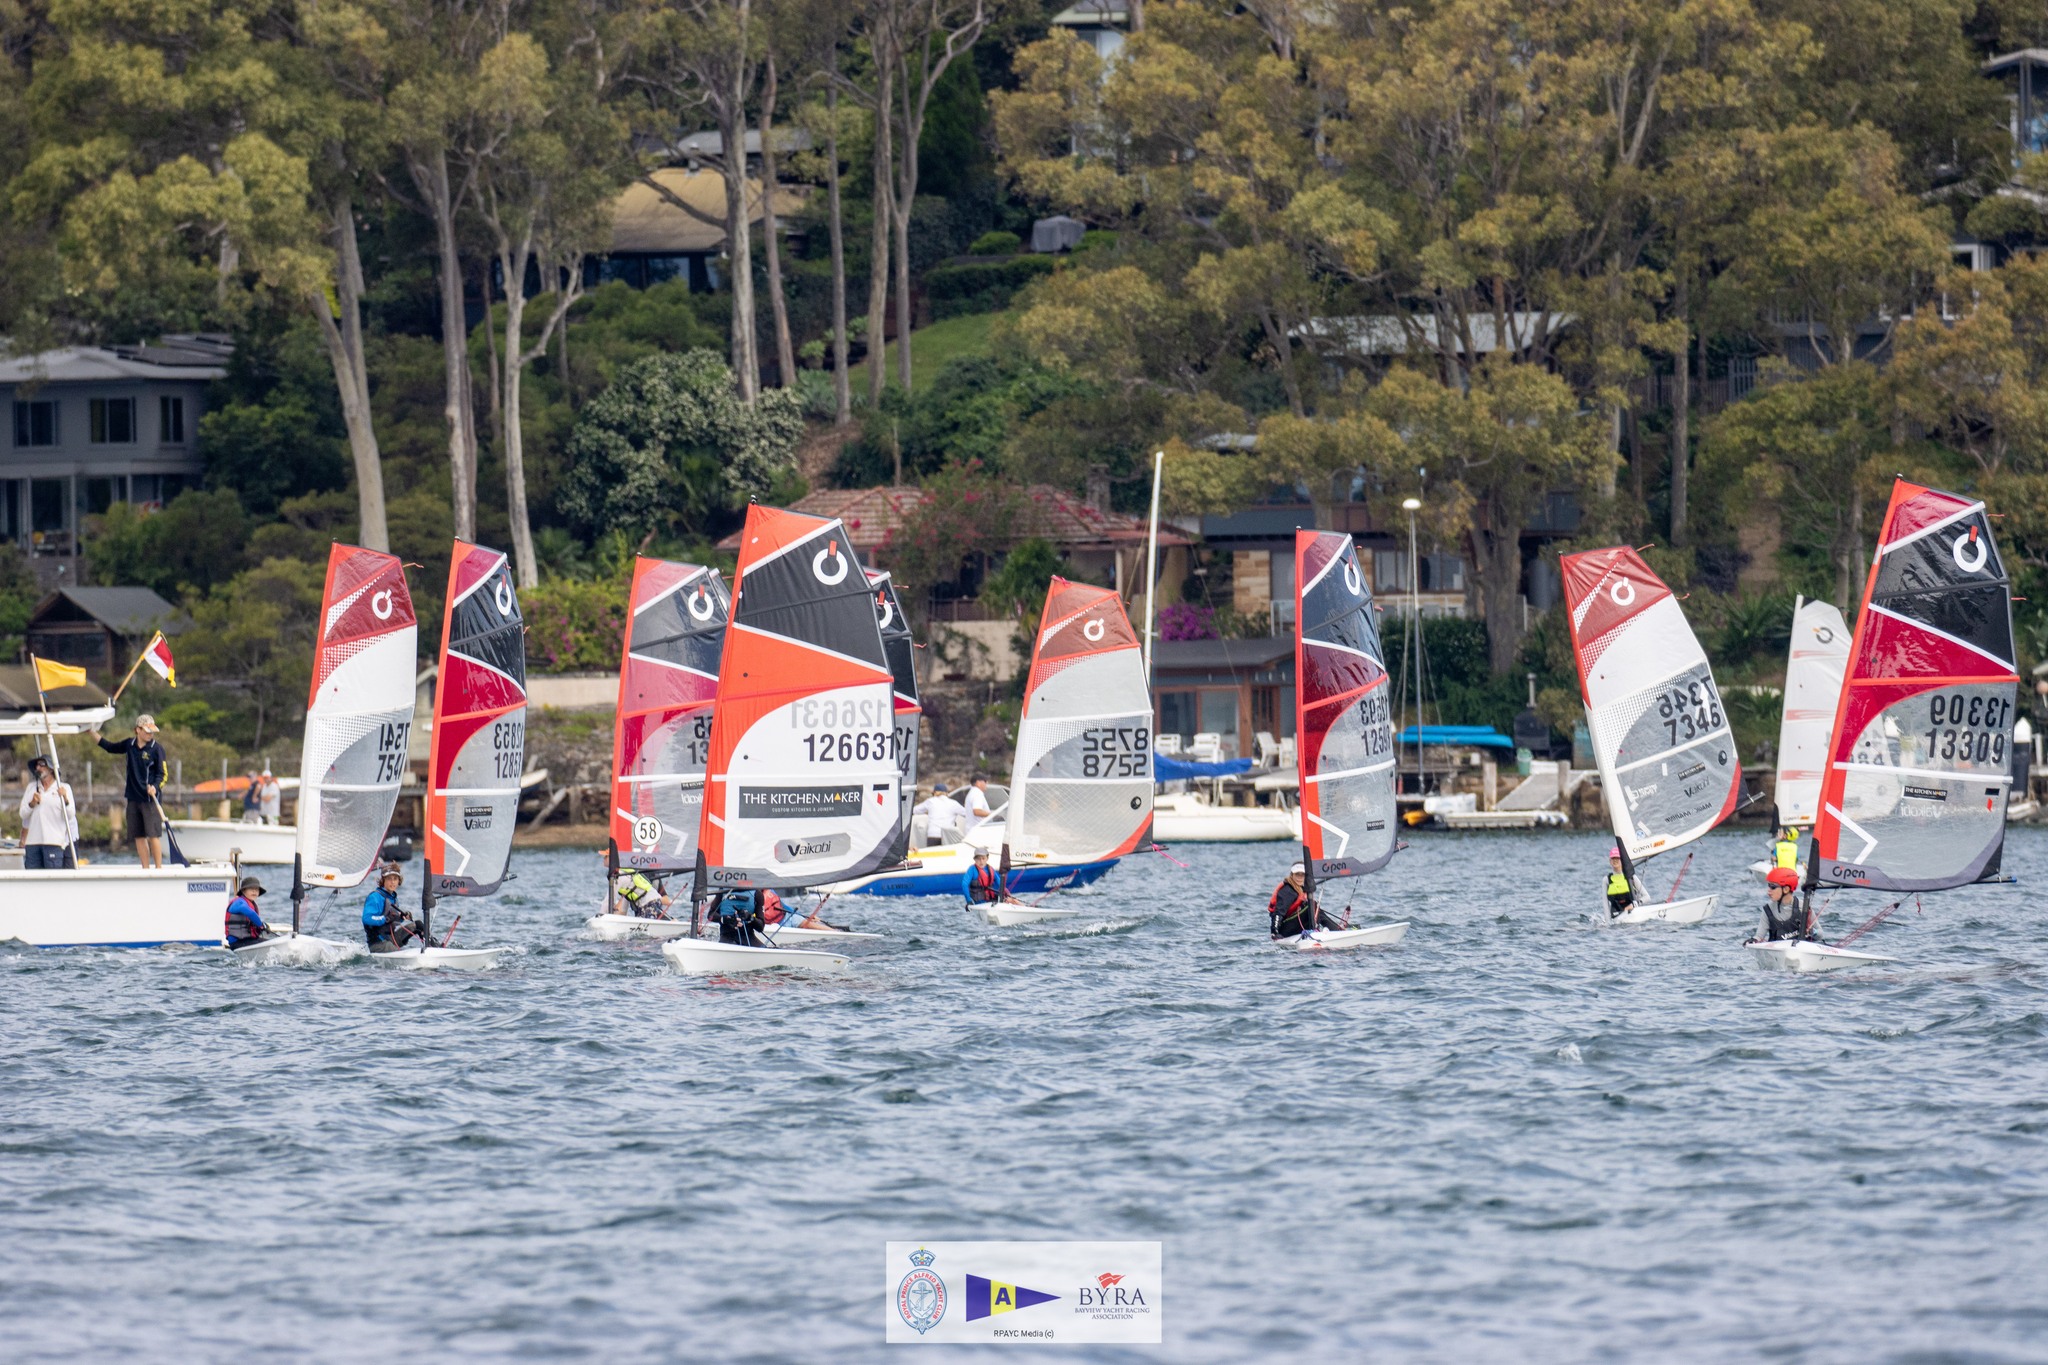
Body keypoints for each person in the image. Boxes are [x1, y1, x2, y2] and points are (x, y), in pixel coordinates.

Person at [91, 714, 168, 869]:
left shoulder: (157, 749)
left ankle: (158, 869)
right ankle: (145, 869)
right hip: (133, 798)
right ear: (137, 730)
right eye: (147, 731)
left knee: (153, 835)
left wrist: (155, 786)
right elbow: (109, 747)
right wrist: (91, 732)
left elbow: (163, 774)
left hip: (150, 800)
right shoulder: (129, 744)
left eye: (152, 731)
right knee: (138, 836)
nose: (150, 734)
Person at [18, 755, 78, 870]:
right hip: (32, 843)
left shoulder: (64, 787)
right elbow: (22, 814)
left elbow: (70, 815)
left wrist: (65, 799)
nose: (38, 768)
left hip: (54, 842)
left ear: (51, 769)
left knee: (53, 877)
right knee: (32, 877)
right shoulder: (31, 788)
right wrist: (32, 803)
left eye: (42, 765)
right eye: (37, 765)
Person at [1267, 862, 1342, 938]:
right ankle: (1336, 931)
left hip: (1293, 925)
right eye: (1297, 874)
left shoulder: (1299, 888)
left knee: (1315, 907)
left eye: (1302, 874)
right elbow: (1278, 912)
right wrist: (1275, 932)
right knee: (1311, 906)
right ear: (1292, 875)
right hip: (1284, 930)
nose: (1299, 877)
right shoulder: (1288, 891)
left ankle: (1338, 931)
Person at [362, 863, 422, 952]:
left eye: (395, 879)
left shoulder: (394, 898)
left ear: (399, 881)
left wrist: (401, 917)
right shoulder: (375, 897)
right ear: (383, 880)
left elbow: (393, 920)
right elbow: (366, 918)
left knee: (418, 925)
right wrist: (385, 919)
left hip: (391, 939)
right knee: (399, 953)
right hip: (378, 943)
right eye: (389, 879)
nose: (393, 882)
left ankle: (432, 947)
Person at [1759, 867, 1817, 942]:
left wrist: (1813, 932)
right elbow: (1759, 936)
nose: (1768, 891)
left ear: (1786, 889)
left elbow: (1820, 934)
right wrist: (1754, 940)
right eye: (1768, 886)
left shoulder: (1803, 907)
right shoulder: (1768, 909)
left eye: (1773, 887)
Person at [224, 877, 271, 949]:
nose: (254, 891)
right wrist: (261, 925)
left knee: (269, 942)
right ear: (243, 891)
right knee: (270, 945)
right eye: (251, 888)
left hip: (248, 940)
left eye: (256, 889)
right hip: (237, 943)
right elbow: (250, 913)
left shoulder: (250, 903)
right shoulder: (238, 902)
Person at [1604, 848, 1636, 919]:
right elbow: (1605, 904)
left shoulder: (1631, 877)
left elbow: (1646, 897)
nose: (1615, 860)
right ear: (1610, 861)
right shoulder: (1606, 880)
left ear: (1622, 860)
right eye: (1613, 858)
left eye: (1617, 858)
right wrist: (1607, 922)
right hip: (1616, 916)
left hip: (1633, 912)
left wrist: (1632, 905)